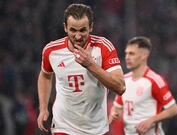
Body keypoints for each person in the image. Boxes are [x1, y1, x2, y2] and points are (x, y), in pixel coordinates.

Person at [37, 3, 126, 135]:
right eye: (73, 30)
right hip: (63, 126)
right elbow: (45, 75)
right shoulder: (51, 51)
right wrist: (43, 107)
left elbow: (120, 87)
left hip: (96, 129)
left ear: (91, 27)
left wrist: (91, 65)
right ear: (65, 28)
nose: (78, 36)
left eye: (82, 30)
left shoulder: (103, 47)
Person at [109, 36, 177, 135]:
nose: (127, 57)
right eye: (126, 53)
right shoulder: (124, 80)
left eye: (132, 54)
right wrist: (113, 114)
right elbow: (117, 107)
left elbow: (174, 109)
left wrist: (151, 120)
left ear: (144, 56)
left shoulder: (154, 80)